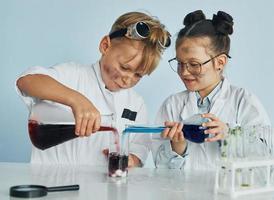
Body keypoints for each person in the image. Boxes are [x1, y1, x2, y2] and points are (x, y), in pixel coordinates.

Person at [16, 11, 171, 166]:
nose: (127, 79)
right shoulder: (73, 74)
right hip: (53, 183)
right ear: (105, 46)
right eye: (124, 67)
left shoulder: (136, 103)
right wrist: (76, 100)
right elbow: (27, 81)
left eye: (138, 75)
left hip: (104, 188)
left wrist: (131, 161)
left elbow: (139, 149)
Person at [152, 10, 270, 170]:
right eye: (180, 63)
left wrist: (230, 135)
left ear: (220, 62)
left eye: (194, 64)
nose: (184, 72)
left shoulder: (243, 101)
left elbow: (265, 157)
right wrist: (177, 148)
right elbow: (160, 168)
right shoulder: (172, 105)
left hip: (228, 193)